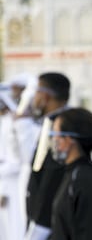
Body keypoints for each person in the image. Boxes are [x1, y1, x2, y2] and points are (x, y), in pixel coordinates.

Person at [48, 107, 92, 239]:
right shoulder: (72, 172)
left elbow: (90, 232)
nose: (52, 140)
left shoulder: (84, 177)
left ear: (69, 139)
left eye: (55, 134)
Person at [25, 72, 70, 240]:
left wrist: (38, 230)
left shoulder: (60, 127)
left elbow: (52, 178)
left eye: (37, 92)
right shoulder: (50, 122)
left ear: (44, 95)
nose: (35, 98)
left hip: (51, 227)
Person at [0, 74, 40, 240]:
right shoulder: (11, 122)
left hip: (17, 183)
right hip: (9, 181)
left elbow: (21, 159)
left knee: (17, 226)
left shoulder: (26, 125)